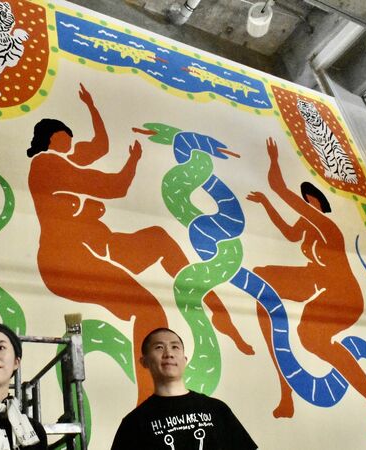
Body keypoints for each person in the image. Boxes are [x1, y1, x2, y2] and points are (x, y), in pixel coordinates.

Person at [27, 83, 253, 402]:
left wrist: (92, 106)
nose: (72, 144)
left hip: (98, 245)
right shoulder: (47, 164)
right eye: (67, 138)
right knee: (148, 310)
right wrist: (132, 162)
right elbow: (114, 186)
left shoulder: (63, 161)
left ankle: (211, 304)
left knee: (159, 239)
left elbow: (99, 147)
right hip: (68, 258)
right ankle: (150, 401)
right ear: (53, 139)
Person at [246, 137, 366, 440]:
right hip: (317, 284)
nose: (304, 208)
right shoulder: (306, 228)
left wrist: (274, 163)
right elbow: (289, 233)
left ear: (316, 205)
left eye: (308, 202)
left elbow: (279, 188)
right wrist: (265, 204)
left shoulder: (328, 229)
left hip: (344, 294)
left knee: (311, 337)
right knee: (261, 283)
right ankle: (285, 387)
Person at [111, 328, 257, 450]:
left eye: (175, 347)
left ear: (185, 360)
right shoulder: (133, 423)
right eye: (159, 347)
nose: (169, 354)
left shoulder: (218, 409)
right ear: (144, 362)